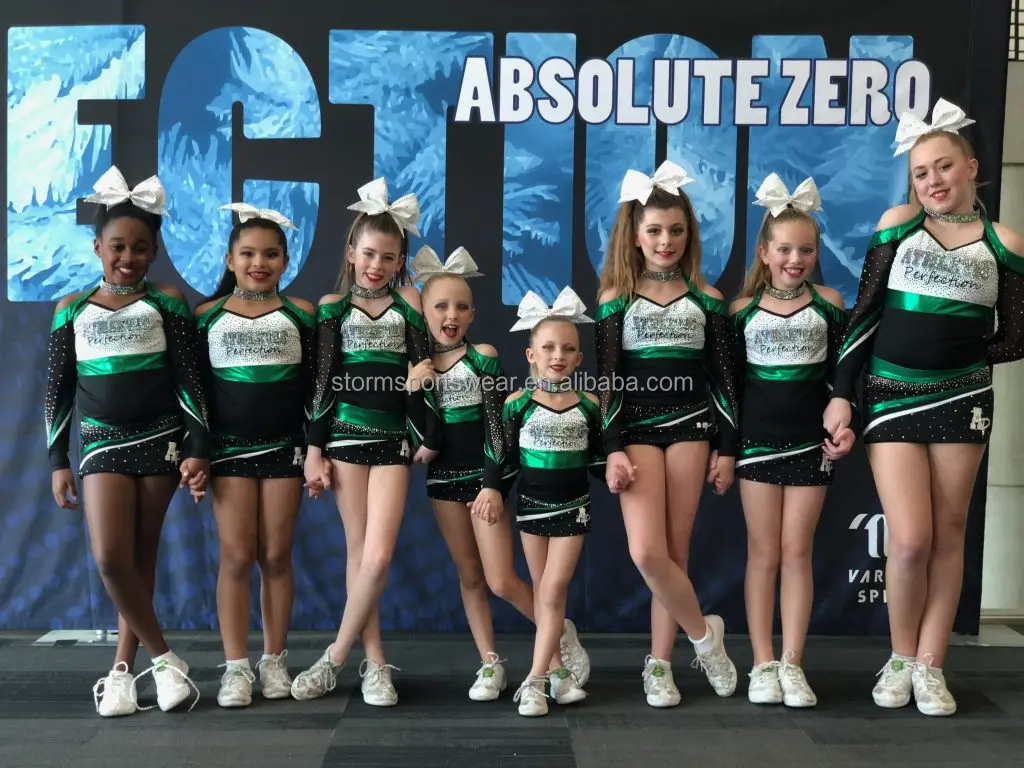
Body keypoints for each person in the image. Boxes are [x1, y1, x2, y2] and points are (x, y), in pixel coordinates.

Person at [823, 98, 1024, 716]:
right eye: (920, 172)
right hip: (891, 394)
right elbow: (864, 315)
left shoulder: (1004, 243)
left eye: (943, 166)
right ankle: (900, 656)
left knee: (949, 532)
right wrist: (841, 394)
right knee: (909, 540)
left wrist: (963, 354)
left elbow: (1016, 335)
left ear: (970, 167)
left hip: (963, 398)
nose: (932, 180)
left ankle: (931, 665)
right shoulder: (898, 226)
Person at [45, 166, 207, 716]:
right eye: (118, 246)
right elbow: (57, 390)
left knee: (141, 557)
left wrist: (197, 446)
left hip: (160, 439)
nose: (128, 257)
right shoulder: (71, 309)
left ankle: (121, 671)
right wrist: (57, 459)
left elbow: (189, 381)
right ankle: (165, 660)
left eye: (140, 248)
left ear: (154, 252)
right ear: (98, 247)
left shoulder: (167, 302)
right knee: (111, 557)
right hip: (101, 444)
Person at [411, 246, 590, 702]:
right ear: (424, 312)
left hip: (484, 478)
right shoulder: (417, 366)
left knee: (501, 580)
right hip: (443, 481)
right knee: (469, 575)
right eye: (441, 306)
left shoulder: (484, 357)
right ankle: (490, 662)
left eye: (461, 307)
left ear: (472, 315)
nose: (451, 315)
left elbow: (497, 426)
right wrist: (414, 388)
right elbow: (418, 430)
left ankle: (555, 640)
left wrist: (491, 483)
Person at [594, 160, 739, 707]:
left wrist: (727, 449)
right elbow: (607, 381)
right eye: (654, 230)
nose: (665, 241)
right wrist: (611, 447)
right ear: (635, 235)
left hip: (691, 428)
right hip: (635, 430)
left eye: (676, 230)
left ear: (689, 234)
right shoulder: (616, 297)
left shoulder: (707, 298)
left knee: (675, 552)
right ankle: (705, 637)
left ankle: (659, 664)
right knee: (648, 552)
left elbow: (723, 381)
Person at [290, 178, 439, 707]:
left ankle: (333, 658)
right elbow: (322, 383)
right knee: (358, 551)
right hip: (344, 437)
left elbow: (423, 369)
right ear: (352, 253)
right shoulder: (332, 307)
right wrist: (314, 451)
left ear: (400, 262)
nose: (377, 265)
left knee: (377, 557)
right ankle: (375, 665)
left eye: (388, 257)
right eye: (369, 254)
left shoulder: (409, 301)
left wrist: (423, 402)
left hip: (393, 438)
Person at [729, 173, 855, 707]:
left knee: (797, 551)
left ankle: (793, 662)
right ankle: (761, 662)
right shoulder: (741, 311)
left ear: (816, 252)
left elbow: (845, 377)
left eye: (805, 249)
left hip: (810, 444)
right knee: (763, 553)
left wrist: (845, 425)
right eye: (784, 249)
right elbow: (729, 387)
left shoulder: (829, 302)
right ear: (764, 252)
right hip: (757, 444)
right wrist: (727, 449)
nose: (795, 259)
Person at [194, 203, 317, 707]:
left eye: (270, 254)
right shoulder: (206, 316)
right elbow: (195, 393)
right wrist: (197, 452)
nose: (258, 263)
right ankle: (236, 667)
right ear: (230, 259)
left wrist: (316, 449)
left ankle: (274, 659)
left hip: (286, 448)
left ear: (286, 261)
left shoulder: (302, 314)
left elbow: (315, 388)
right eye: (247, 254)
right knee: (237, 555)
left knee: (276, 555)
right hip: (228, 451)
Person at [490, 288, 604, 717]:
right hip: (531, 508)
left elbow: (599, 459)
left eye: (568, 349)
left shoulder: (589, 405)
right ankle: (558, 674)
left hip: (573, 507)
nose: (559, 355)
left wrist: (621, 471)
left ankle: (534, 681)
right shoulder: (516, 405)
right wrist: (490, 491)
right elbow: (502, 458)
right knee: (543, 595)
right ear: (531, 355)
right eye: (549, 348)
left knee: (554, 590)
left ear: (579, 358)